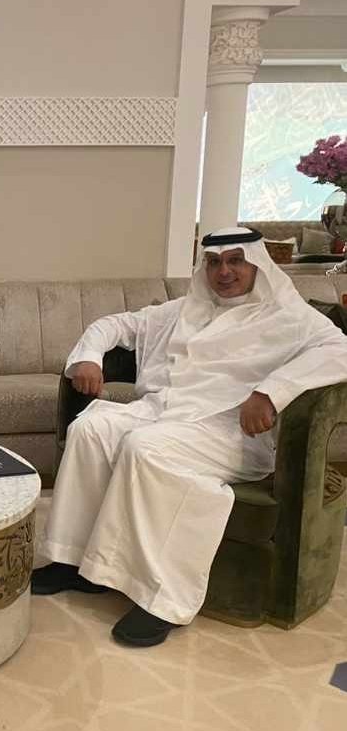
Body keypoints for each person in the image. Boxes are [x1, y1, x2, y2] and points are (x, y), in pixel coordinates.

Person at [34, 226, 347, 647]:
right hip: (163, 413)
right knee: (91, 428)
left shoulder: (290, 316)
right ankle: (72, 561)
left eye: (236, 261)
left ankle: (161, 598)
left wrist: (272, 391)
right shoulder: (186, 308)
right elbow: (115, 324)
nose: (224, 272)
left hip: (228, 431)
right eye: (214, 262)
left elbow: (340, 350)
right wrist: (89, 358)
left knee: (144, 447)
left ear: (257, 264)